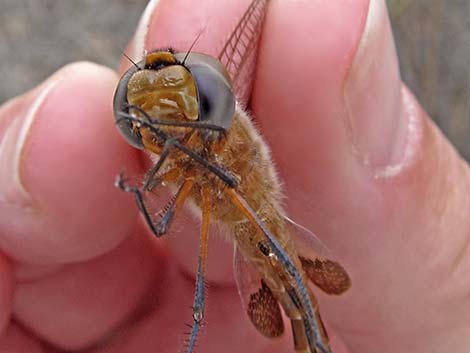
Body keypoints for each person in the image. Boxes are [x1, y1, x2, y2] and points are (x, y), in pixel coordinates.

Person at [0, 1, 468, 352]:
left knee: (243, 305)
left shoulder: (212, 148)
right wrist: (139, 186)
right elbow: (161, 221)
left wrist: (152, 180)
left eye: (185, 106)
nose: (161, 119)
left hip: (248, 204)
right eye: (140, 119)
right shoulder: (185, 157)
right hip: (223, 197)